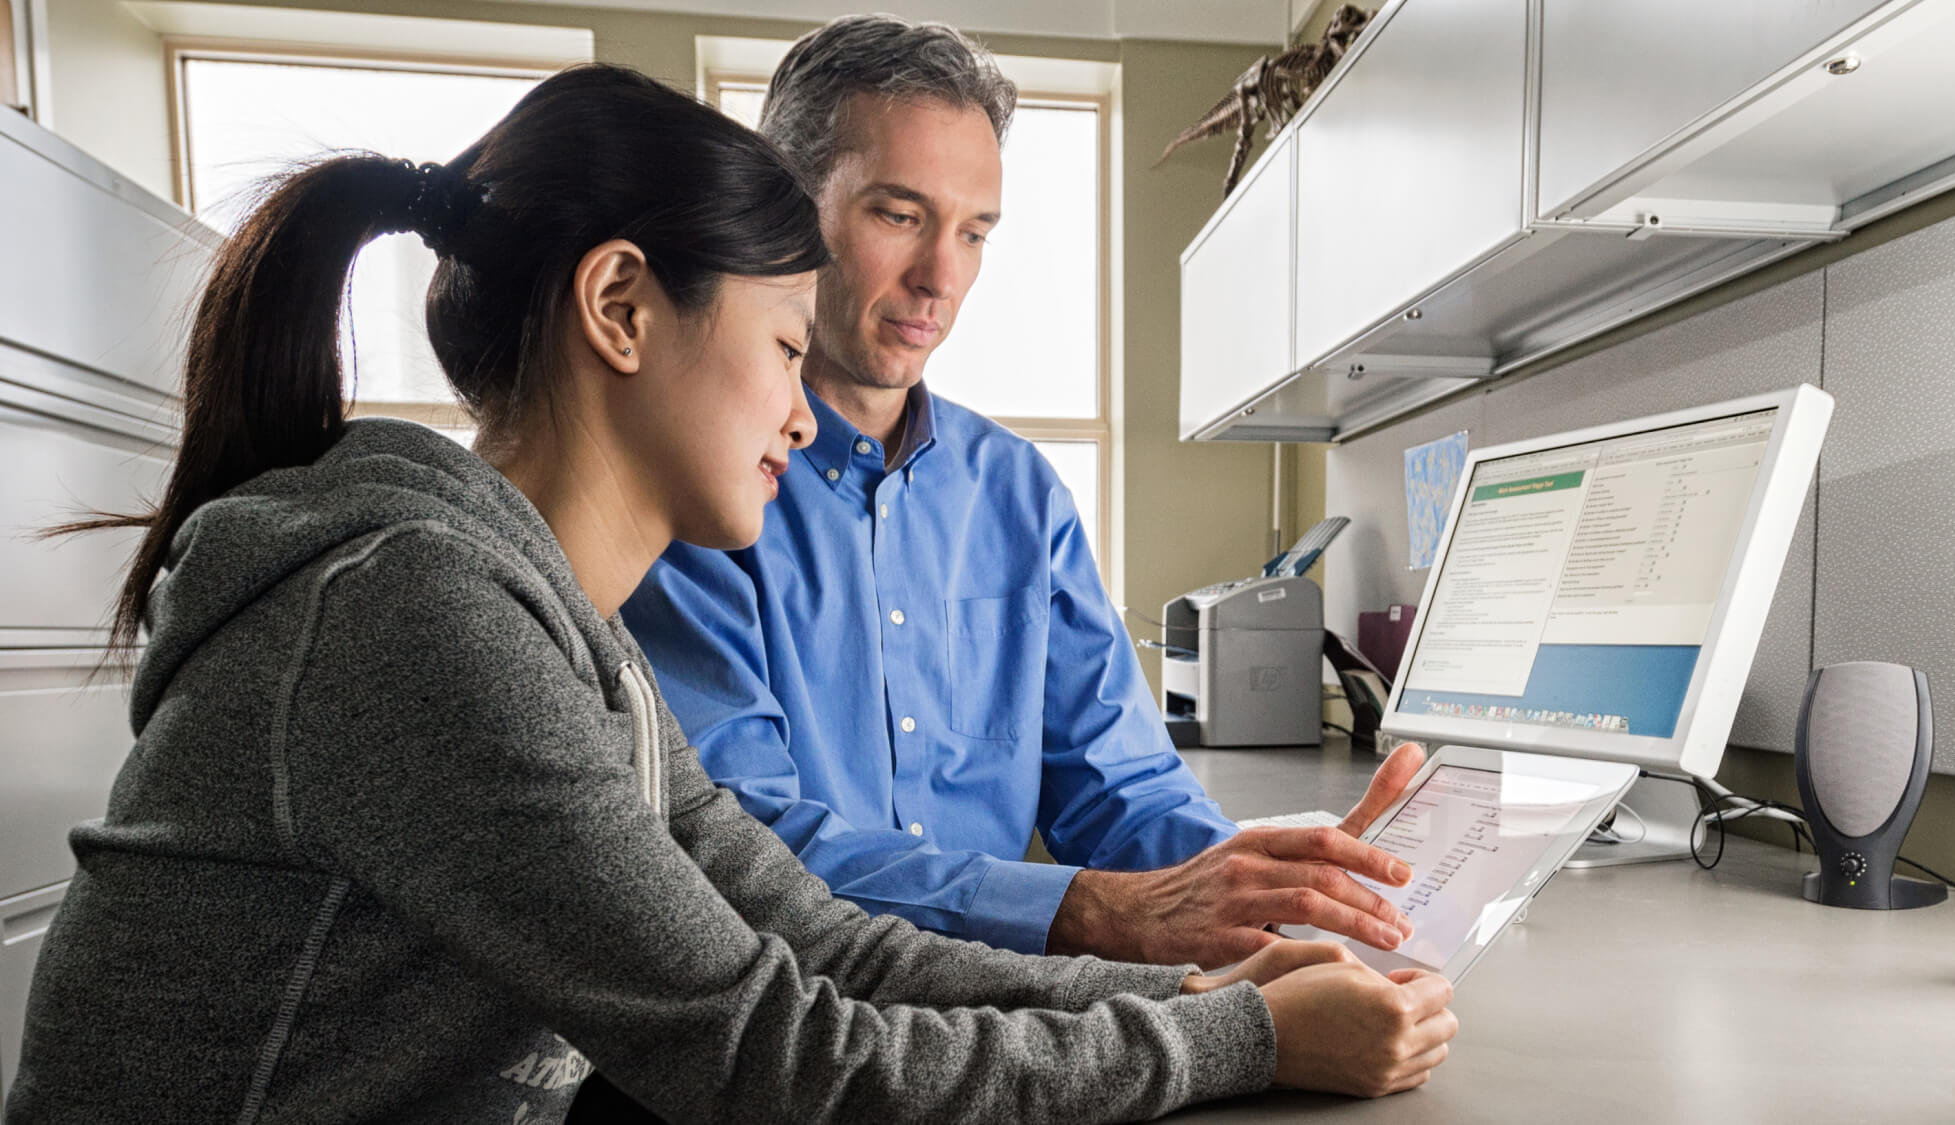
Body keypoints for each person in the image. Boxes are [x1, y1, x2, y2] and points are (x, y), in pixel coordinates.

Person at [2, 65, 1455, 1123]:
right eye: (780, 348)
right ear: (620, 309)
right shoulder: (420, 620)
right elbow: (773, 1050)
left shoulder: (560, 637)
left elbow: (818, 939)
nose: (805, 414)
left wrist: (1204, 997)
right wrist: (1241, 1042)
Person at [622, 15, 1423, 970]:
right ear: (788, 204)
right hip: (803, 1010)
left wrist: (1266, 886)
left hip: (1007, 1015)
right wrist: (1086, 910)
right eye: (899, 215)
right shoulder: (699, 492)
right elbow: (742, 847)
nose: (941, 278)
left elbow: (1121, 787)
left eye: (974, 232)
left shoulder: (1021, 496)